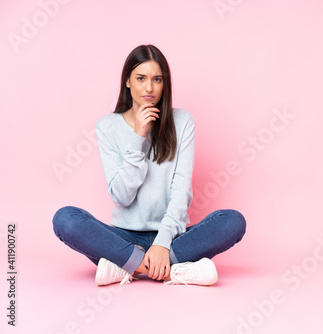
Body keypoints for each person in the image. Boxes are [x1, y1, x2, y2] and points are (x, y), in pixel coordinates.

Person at [52, 44, 246, 286]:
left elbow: (181, 191)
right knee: (66, 219)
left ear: (165, 84)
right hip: (122, 238)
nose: (149, 87)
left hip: (174, 237)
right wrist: (138, 137)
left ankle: (128, 267)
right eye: (141, 78)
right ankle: (171, 270)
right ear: (127, 82)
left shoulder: (182, 121)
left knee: (233, 221)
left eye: (157, 79)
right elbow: (122, 196)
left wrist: (162, 243)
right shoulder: (107, 126)